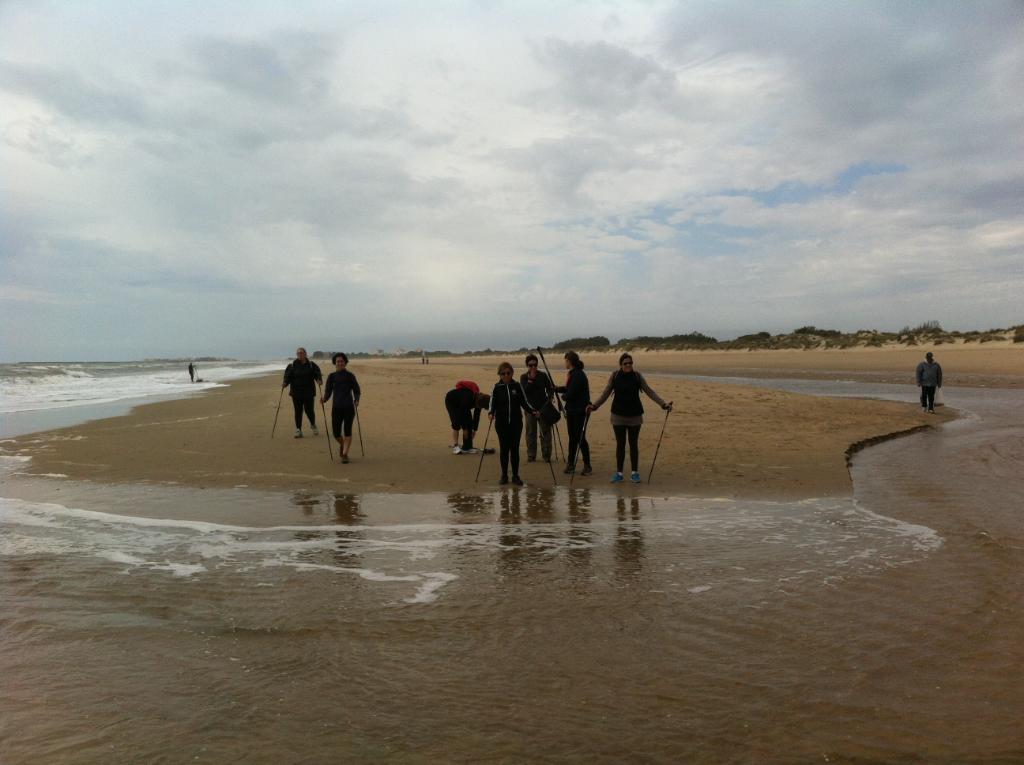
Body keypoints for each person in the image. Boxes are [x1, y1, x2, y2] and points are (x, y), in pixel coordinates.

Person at [588, 353, 672, 483]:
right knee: (620, 445)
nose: (628, 365)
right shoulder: (615, 376)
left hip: (635, 416)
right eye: (625, 363)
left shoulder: (637, 376)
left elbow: (649, 391)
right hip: (618, 416)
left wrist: (663, 404)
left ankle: (634, 473)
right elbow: (606, 393)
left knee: (633, 444)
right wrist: (595, 406)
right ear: (620, 365)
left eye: (630, 363)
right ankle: (619, 473)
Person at [488, 362, 539, 486]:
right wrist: (490, 413)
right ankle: (504, 475)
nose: (506, 375)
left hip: (516, 423)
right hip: (501, 424)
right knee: (504, 449)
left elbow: (524, 402)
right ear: (499, 374)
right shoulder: (496, 388)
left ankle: (515, 476)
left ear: (512, 373)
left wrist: (533, 411)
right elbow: (492, 404)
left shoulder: (517, 386)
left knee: (515, 449)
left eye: (508, 373)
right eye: (503, 373)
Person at [555, 351, 592, 476]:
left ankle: (587, 465)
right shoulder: (573, 374)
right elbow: (568, 389)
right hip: (571, 410)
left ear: (569, 361)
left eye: (565, 361)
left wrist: (563, 396)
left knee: (580, 437)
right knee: (572, 437)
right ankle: (571, 464)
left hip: (580, 411)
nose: (564, 363)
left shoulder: (578, 375)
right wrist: (557, 389)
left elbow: (571, 393)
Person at [320, 352, 361, 463]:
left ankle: (345, 454)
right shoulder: (331, 377)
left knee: (347, 431)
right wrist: (324, 399)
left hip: (349, 407)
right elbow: (328, 392)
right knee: (336, 433)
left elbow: (357, 390)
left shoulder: (350, 376)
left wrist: (357, 399)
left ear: (345, 362)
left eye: (342, 361)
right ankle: (343, 444)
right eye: (338, 361)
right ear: (335, 363)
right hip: (336, 408)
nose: (340, 363)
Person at [520, 353, 555, 463]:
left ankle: (546, 455)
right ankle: (531, 455)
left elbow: (550, 388)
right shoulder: (524, 377)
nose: (533, 367)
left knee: (545, 432)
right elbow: (524, 391)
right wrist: (531, 380)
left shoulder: (543, 375)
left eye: (535, 365)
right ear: (527, 366)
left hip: (543, 408)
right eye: (530, 365)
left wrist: (550, 398)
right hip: (530, 409)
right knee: (531, 432)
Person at [282, 347, 322, 437]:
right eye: (298, 353)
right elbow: (287, 376)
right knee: (298, 411)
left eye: (301, 353)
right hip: (296, 393)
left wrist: (319, 380)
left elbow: (317, 373)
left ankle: (313, 424)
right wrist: (285, 383)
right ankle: (298, 430)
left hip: (309, 392)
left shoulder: (311, 365)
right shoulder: (292, 365)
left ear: (305, 354)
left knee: (309, 411)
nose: (300, 354)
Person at [445, 380, 489, 453]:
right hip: (451, 401)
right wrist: (464, 428)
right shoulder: (468, 398)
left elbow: (476, 416)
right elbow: (462, 413)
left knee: (469, 423)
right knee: (456, 423)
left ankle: (467, 447)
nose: (480, 408)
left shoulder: (481, 401)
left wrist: (474, 429)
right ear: (477, 402)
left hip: (463, 405)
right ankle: (456, 446)